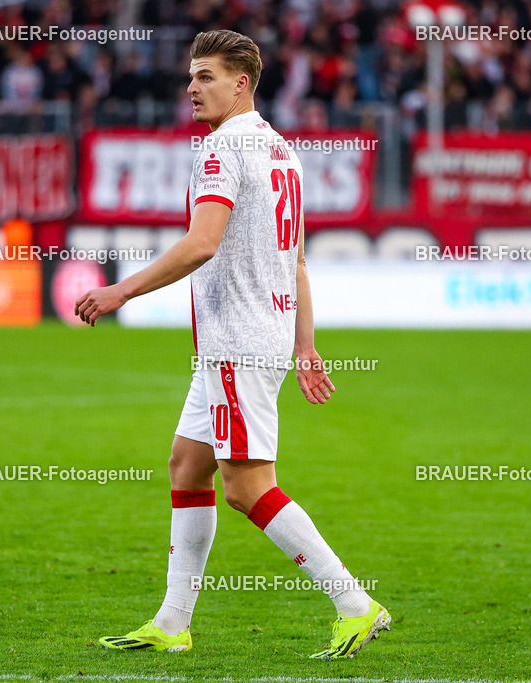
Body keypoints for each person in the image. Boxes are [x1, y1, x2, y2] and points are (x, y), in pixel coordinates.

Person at [74, 30, 389, 659]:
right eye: (191, 77)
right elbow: (296, 262)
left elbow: (202, 243)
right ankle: (172, 621)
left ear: (241, 82)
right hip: (257, 336)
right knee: (187, 467)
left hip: (237, 344)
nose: (192, 88)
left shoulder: (221, 149)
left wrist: (121, 292)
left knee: (247, 487)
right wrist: (306, 347)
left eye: (206, 76)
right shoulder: (282, 152)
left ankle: (354, 602)